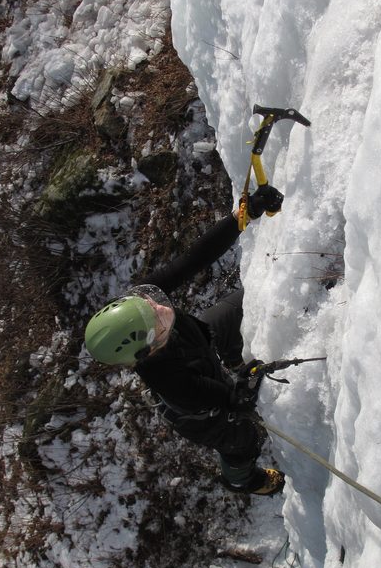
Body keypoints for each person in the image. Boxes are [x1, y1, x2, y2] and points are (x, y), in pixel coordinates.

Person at [84, 185, 286, 496]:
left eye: (148, 302)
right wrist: (243, 391)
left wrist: (242, 216)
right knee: (245, 440)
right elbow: (231, 400)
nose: (158, 304)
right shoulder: (175, 385)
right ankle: (241, 479)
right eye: (152, 315)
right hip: (206, 416)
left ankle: (232, 354)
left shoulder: (141, 304)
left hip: (202, 341)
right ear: (149, 346)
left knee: (252, 300)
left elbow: (194, 259)